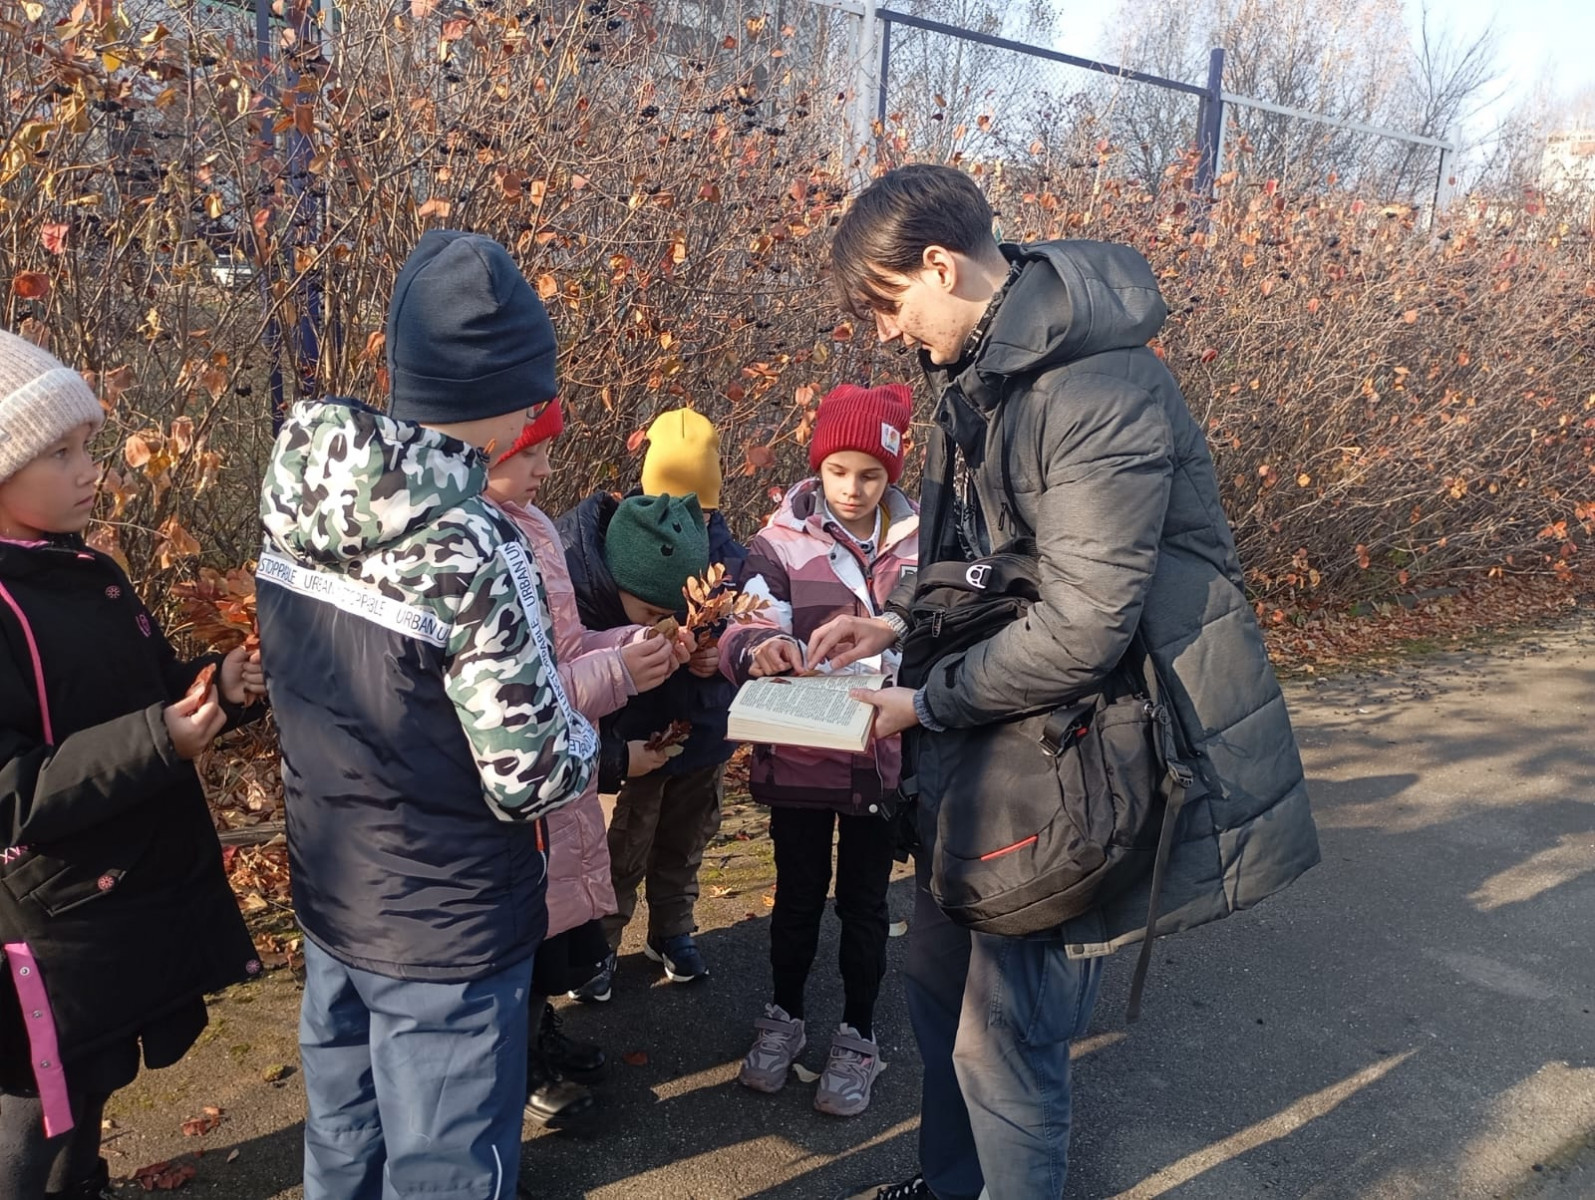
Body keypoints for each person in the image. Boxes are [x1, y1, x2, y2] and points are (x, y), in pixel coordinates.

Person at [805, 165, 1322, 1200]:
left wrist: (925, 701)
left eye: (889, 302)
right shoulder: (979, 373)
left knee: (1006, 1038)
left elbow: (1083, 626)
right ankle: (951, 1183)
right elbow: (977, 564)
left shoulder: (1094, 388)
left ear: (940, 266)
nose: (887, 331)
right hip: (994, 735)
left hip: (1075, 747)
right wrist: (896, 620)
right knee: (935, 984)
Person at [257, 230, 597, 1199]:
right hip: (445, 925)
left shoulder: (298, 486)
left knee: (343, 1140)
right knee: (447, 1166)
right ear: (510, 392)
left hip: (334, 887)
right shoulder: (473, 544)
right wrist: (587, 732)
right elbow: (530, 772)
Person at [0, 330, 265, 1200]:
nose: (91, 471)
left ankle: (84, 1182)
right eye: (60, 454)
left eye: (89, 446)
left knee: (97, 1072)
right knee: (39, 1103)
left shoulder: (90, 569)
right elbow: (11, 791)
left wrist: (219, 686)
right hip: (43, 919)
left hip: (114, 892)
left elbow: (150, 690)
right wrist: (159, 740)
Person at [483, 400, 687, 1131]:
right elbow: (516, 697)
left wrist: (630, 645)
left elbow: (563, 650)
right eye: (529, 453)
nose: (546, 468)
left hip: (559, 783)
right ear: (484, 448)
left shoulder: (534, 527)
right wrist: (622, 674)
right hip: (522, 782)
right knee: (519, 945)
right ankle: (517, 1068)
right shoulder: (470, 545)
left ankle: (539, 1035)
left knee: (550, 938)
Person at [719, 383, 919, 1118]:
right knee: (797, 895)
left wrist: (897, 651)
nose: (853, 488)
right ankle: (783, 1015)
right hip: (799, 753)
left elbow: (938, 627)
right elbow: (742, 623)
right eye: (838, 471)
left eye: (870, 474)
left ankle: (858, 1035)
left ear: (892, 473)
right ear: (818, 467)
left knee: (865, 904)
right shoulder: (777, 542)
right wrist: (760, 648)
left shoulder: (921, 545)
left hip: (878, 757)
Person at [558, 410, 744, 992]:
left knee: (686, 839)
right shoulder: (630, 548)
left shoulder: (730, 558)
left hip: (703, 728)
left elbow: (748, 628)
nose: (687, 518)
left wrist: (716, 656)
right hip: (637, 730)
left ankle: (674, 928)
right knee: (624, 843)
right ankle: (604, 943)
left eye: (702, 509)